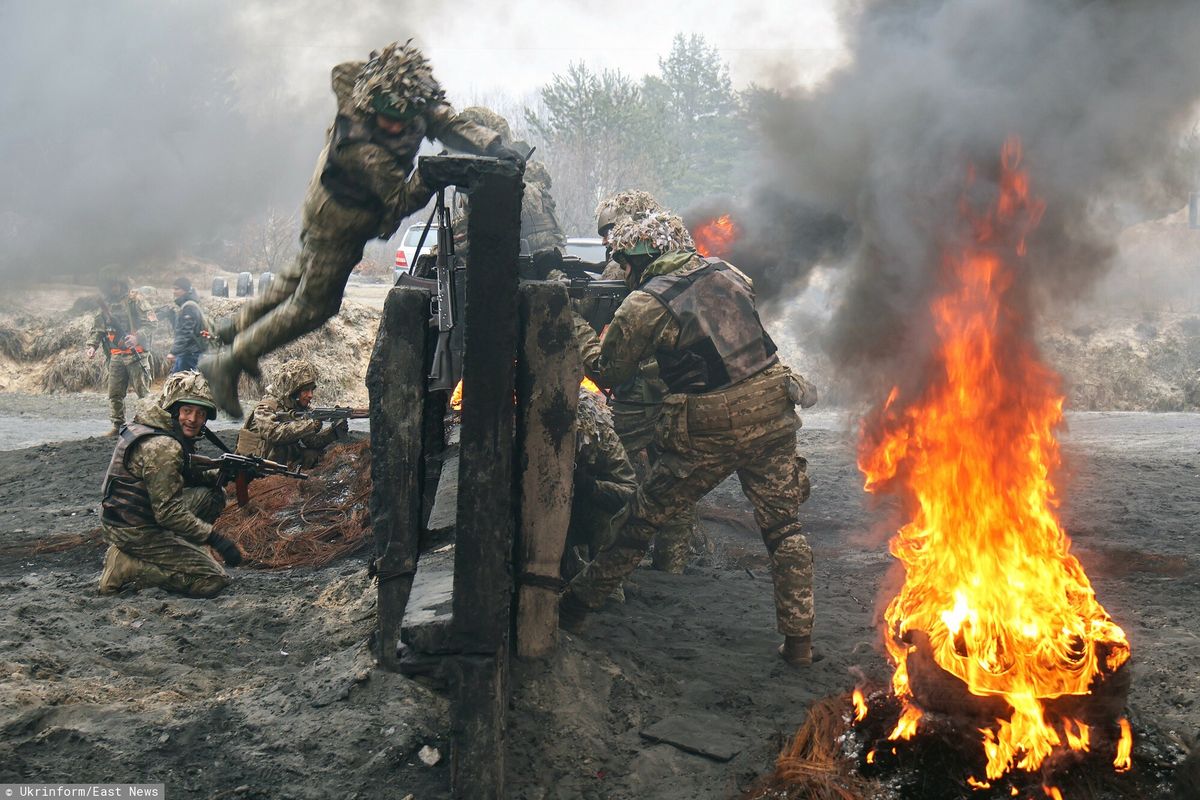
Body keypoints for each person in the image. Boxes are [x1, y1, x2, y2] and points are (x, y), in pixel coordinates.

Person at [201, 40, 522, 417]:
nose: (396, 126)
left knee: (295, 277)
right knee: (314, 305)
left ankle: (235, 327)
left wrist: (494, 146)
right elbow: (395, 208)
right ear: (372, 104)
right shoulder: (367, 151)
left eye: (404, 119)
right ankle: (232, 358)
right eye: (388, 118)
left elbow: (445, 121)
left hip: (327, 204)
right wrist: (428, 177)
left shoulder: (391, 95)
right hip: (338, 221)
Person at [562, 211, 818, 666]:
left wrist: (577, 325)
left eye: (624, 261)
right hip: (773, 409)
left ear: (641, 258)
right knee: (784, 530)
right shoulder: (729, 271)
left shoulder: (645, 305)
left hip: (711, 426)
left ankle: (575, 609)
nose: (622, 271)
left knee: (640, 519)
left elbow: (607, 370)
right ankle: (799, 645)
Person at [589, 191, 700, 573]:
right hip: (677, 389)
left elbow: (607, 351)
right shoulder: (682, 261)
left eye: (609, 232)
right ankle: (673, 564)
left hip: (640, 390)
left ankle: (609, 569)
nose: (606, 242)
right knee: (673, 478)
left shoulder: (626, 270)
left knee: (608, 472)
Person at [98, 371, 242, 598]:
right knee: (212, 579)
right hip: (135, 529)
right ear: (174, 410)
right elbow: (167, 513)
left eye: (200, 413)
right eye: (187, 411)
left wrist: (222, 474)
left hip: (124, 516)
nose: (193, 419)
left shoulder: (153, 423)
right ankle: (127, 565)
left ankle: (177, 551)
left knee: (213, 495)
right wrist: (214, 538)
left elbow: (181, 472)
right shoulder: (164, 445)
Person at [562, 385, 638, 584]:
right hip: (542, 517)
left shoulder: (602, 439)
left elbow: (631, 495)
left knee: (607, 517)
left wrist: (590, 486)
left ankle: (603, 585)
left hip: (585, 514)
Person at [235, 359, 347, 469]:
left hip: (281, 461)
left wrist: (334, 431)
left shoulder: (300, 407)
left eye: (312, 390)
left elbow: (312, 442)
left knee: (313, 455)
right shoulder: (266, 407)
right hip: (255, 463)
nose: (310, 395)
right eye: (306, 391)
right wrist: (310, 425)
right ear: (293, 391)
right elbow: (273, 434)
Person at [86, 268, 157, 436]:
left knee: (143, 393)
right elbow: (98, 329)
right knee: (115, 393)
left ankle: (148, 424)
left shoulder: (135, 300)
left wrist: (137, 337)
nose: (114, 288)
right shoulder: (105, 305)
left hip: (136, 354)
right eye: (111, 285)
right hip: (116, 355)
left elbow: (152, 323)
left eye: (117, 284)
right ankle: (118, 425)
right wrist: (92, 346)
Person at [166, 277, 207, 373]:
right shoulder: (188, 305)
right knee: (178, 381)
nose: (174, 292)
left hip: (190, 353)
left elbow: (185, 332)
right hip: (188, 352)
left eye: (177, 289)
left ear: (185, 290)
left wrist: (173, 352)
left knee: (182, 382)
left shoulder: (189, 307)